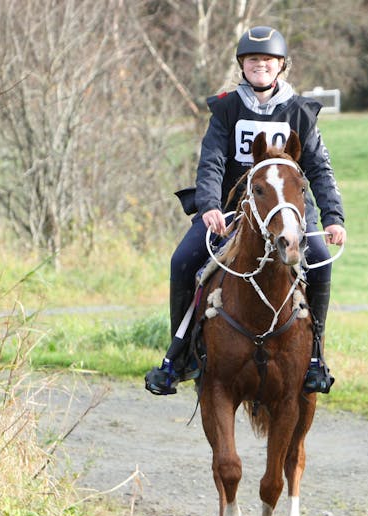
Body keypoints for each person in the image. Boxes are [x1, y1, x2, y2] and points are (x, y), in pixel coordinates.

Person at [144, 25, 347, 396]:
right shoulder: (227, 108)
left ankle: (316, 355)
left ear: (281, 65)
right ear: (242, 65)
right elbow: (212, 161)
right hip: (233, 209)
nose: (261, 66)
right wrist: (208, 206)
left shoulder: (301, 112)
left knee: (319, 261)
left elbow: (319, 168)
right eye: (253, 60)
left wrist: (333, 217)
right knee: (183, 261)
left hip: (288, 211)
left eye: (268, 60)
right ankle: (180, 356)